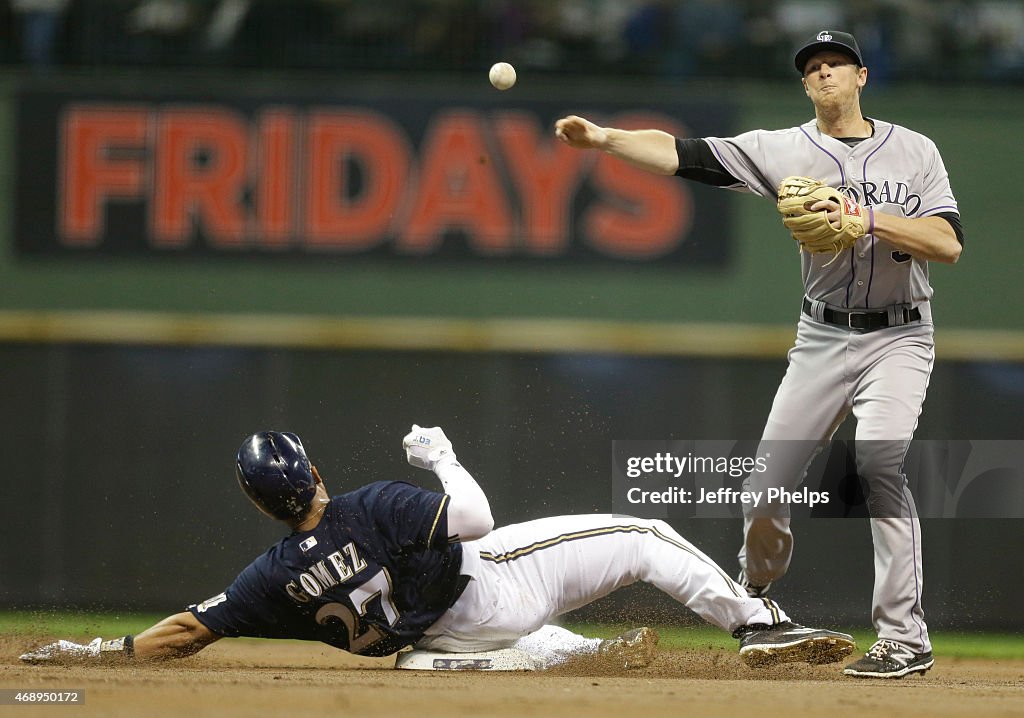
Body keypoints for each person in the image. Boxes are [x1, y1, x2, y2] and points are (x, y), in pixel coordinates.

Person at [554, 30, 962, 679]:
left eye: (836, 64)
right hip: (823, 337)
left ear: (862, 76)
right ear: (806, 85)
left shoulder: (915, 151)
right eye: (813, 68)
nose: (824, 73)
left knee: (881, 463)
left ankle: (904, 638)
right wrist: (605, 139)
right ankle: (757, 593)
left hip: (900, 336)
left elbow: (947, 243)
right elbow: (678, 153)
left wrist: (865, 220)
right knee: (765, 488)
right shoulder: (781, 149)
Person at [21, 426, 855, 670]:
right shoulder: (370, 505)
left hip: (442, 639)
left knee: (449, 655)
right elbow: (480, 520)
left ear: (254, 501)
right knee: (645, 536)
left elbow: (190, 630)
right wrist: (443, 458)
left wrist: (103, 651)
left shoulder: (271, 579)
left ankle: (575, 656)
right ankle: (756, 624)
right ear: (310, 467)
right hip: (492, 585)